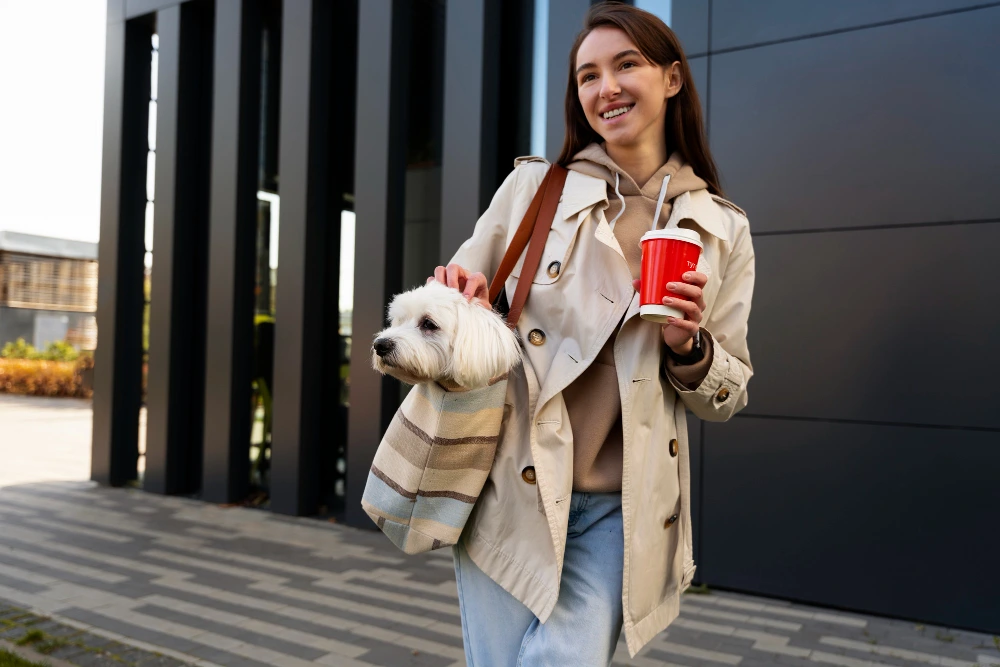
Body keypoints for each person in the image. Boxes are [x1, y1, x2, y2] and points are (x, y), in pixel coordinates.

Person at [430, 3, 754, 664]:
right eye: (587, 75)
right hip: (510, 486)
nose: (605, 87)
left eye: (626, 64)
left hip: (619, 508)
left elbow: (729, 391)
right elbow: (456, 291)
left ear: (670, 79)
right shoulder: (533, 189)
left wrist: (689, 349)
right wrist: (455, 296)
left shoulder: (721, 228)